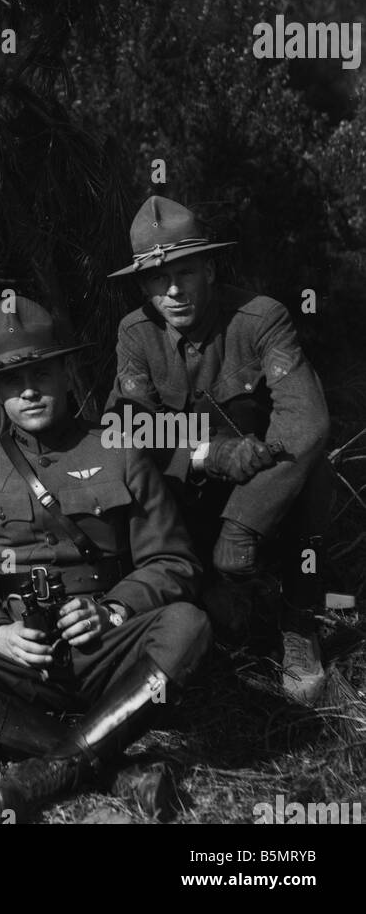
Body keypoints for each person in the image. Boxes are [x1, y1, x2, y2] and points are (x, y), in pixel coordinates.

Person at [0, 297, 211, 822]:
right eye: (12, 381)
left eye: (41, 373)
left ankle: (51, 769)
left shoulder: (119, 451)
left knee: (188, 625)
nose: (29, 390)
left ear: (65, 372)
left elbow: (173, 560)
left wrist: (115, 610)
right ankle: (112, 769)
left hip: (106, 651)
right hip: (23, 660)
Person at [105, 197, 332, 703]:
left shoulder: (260, 318)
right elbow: (124, 428)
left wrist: (244, 521)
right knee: (134, 478)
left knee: (314, 469)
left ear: (209, 267)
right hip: (191, 492)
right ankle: (204, 595)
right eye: (158, 280)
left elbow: (307, 418)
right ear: (143, 286)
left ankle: (300, 619)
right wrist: (206, 454)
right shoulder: (135, 334)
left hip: (264, 485)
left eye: (184, 272)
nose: (173, 290)